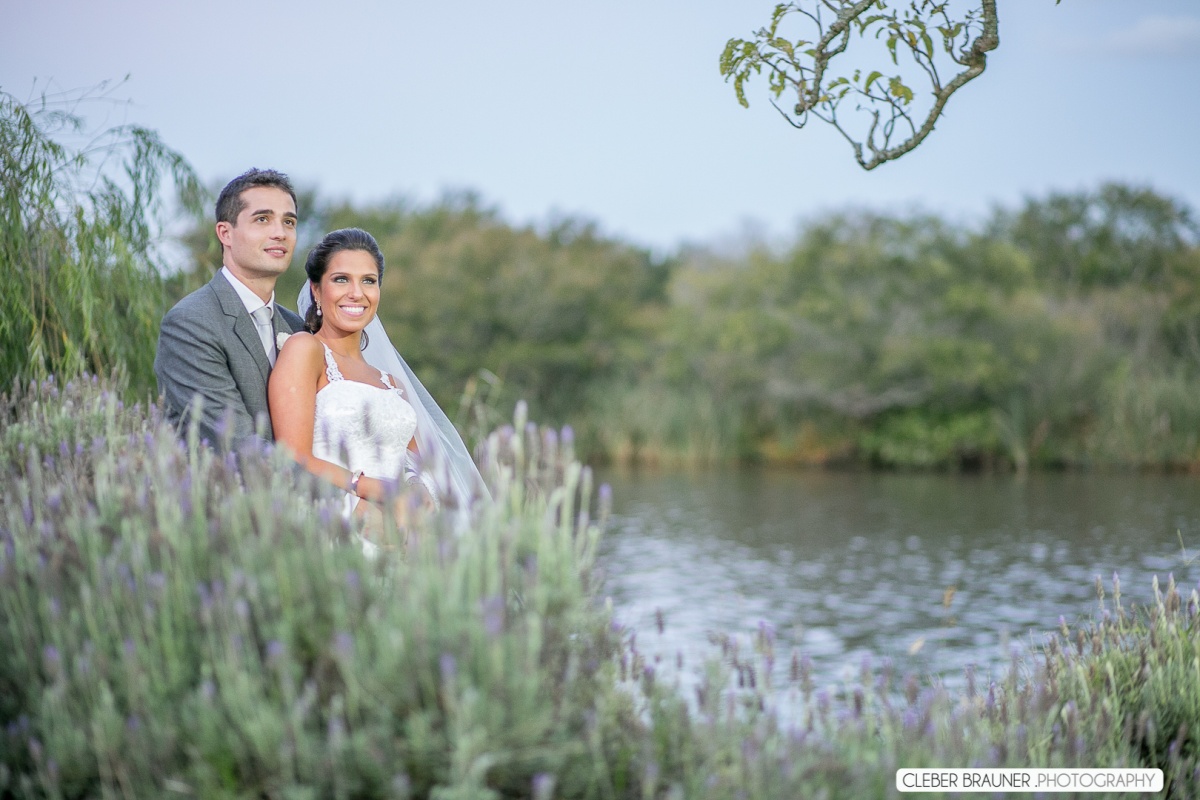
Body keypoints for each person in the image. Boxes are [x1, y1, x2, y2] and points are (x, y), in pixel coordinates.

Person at [269, 228, 487, 544]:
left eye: (368, 281)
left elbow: (420, 463)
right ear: (316, 290)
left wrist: (418, 490)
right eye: (341, 279)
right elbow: (293, 455)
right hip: (336, 522)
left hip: (405, 532)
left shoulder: (391, 383)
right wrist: (372, 491)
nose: (356, 292)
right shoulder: (305, 350)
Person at [155, 169, 306, 450]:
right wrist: (346, 490)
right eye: (263, 219)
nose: (280, 233)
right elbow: (236, 444)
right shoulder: (191, 323)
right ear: (225, 233)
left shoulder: (298, 328)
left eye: (289, 222)